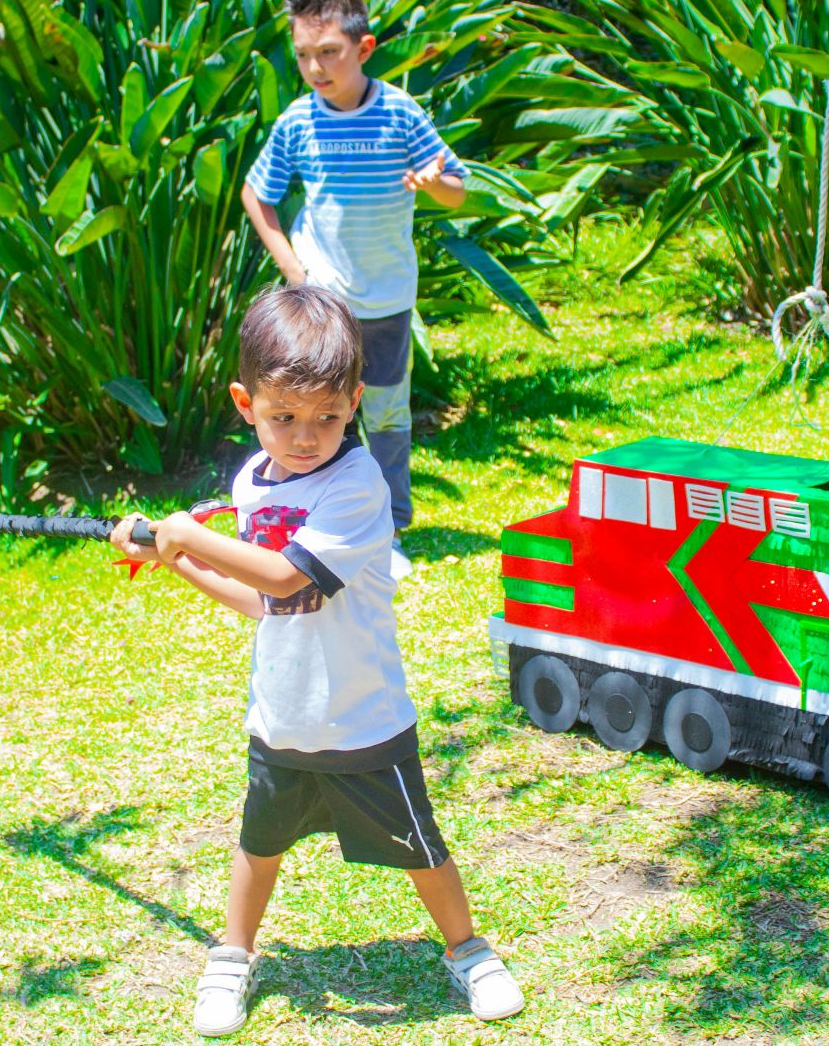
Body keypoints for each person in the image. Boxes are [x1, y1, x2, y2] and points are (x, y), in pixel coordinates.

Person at [112, 286, 523, 1036]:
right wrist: (173, 558)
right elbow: (261, 603)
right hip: (284, 714)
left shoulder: (358, 484)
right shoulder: (252, 484)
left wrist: (182, 531)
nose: (306, 437)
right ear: (245, 402)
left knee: (419, 846)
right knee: (257, 844)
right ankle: (232, 956)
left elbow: (283, 574)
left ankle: (468, 951)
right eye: (283, 417)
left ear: (355, 402)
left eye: (328, 418)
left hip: (362, 716)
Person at [240, 0, 468, 579]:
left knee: (386, 416)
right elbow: (256, 194)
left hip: (388, 299)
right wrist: (294, 270)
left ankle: (388, 528)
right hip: (324, 304)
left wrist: (433, 183)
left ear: (363, 49)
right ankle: (319, 522)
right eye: (305, 56)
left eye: (330, 53)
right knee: (318, 416)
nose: (316, 67)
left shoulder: (400, 112)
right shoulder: (295, 122)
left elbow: (456, 189)